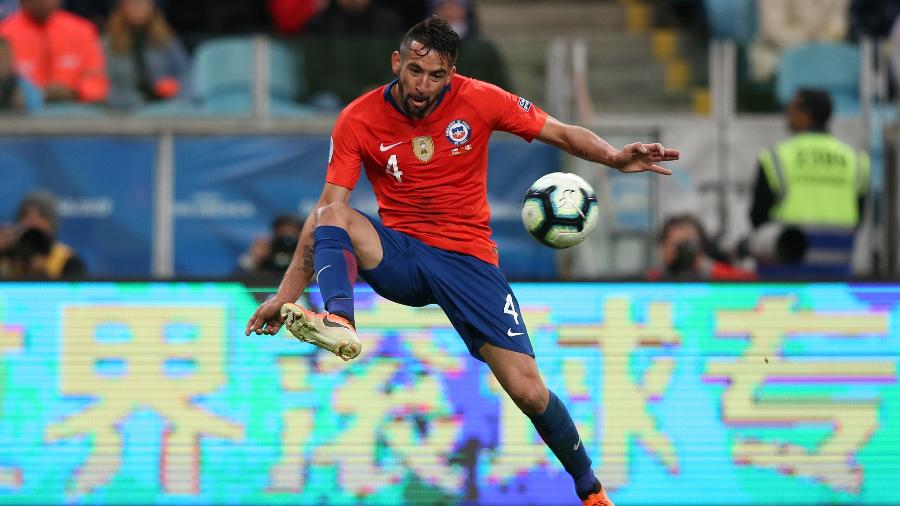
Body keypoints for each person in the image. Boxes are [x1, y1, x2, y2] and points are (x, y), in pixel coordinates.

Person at [244, 18, 678, 506]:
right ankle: (340, 320)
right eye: (414, 71)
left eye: (436, 76)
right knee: (334, 213)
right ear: (397, 62)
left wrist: (615, 157)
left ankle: (591, 491)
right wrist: (284, 298)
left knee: (529, 391)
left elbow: (560, 132)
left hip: (469, 262)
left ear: (451, 73)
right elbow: (322, 216)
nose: (422, 86)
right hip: (402, 257)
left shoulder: (481, 98)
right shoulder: (357, 119)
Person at [750, 88, 869, 278]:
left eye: (791, 108)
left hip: (784, 271)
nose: (787, 114)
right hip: (837, 272)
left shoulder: (776, 157)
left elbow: (758, 217)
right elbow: (859, 216)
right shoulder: (855, 159)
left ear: (806, 115)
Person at [0, 0, 108, 103]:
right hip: (23, 111)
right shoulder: (4, 33)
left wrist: (73, 93)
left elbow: (97, 82)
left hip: (77, 108)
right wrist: (36, 95)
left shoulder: (82, 30)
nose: (44, 2)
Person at [103, 0, 189, 110]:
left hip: (165, 107)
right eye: (132, 4)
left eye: (143, 3)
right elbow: (103, 83)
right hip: (121, 110)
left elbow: (185, 72)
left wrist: (176, 88)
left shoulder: (167, 41)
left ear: (152, 7)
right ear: (122, 7)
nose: (138, 8)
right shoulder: (108, 44)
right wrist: (132, 101)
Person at [647, 214, 756, 281]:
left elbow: (751, 281)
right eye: (675, 245)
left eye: (685, 244)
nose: (681, 250)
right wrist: (665, 267)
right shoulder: (656, 277)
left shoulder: (712, 270)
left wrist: (703, 266)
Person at [9, 190, 86, 279]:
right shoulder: (9, 255)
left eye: (41, 216)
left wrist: (43, 273)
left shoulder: (68, 261)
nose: (33, 223)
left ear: (52, 223)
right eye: (26, 216)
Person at [237, 213, 305, 275]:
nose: (288, 236)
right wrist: (254, 259)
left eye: (293, 232)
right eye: (283, 232)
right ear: (275, 233)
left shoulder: (306, 251)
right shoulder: (268, 248)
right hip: (267, 285)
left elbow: (313, 282)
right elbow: (239, 276)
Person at [0, 35, 41, 112]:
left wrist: (22, 106)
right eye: (0, 59)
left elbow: (37, 112)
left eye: (6, 58)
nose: (3, 64)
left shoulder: (24, 86)